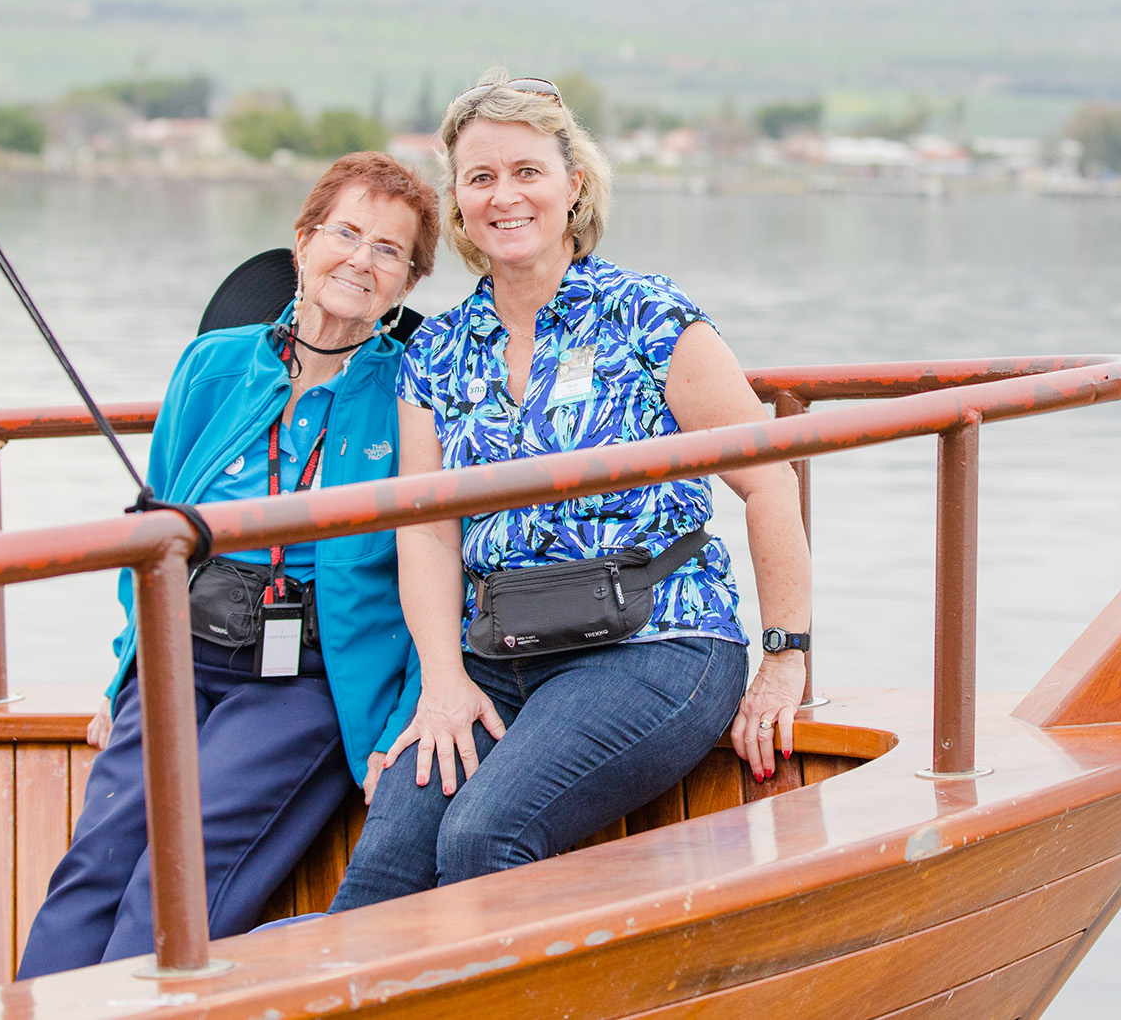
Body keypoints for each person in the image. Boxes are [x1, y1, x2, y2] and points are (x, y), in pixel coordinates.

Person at [327, 73, 811, 911]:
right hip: (500, 655)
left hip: (656, 643)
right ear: (459, 202)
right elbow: (428, 530)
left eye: (527, 171)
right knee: (380, 876)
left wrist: (784, 655)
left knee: (484, 837)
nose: (504, 195)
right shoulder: (436, 353)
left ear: (572, 184)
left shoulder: (648, 316)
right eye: (480, 178)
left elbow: (767, 483)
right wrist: (443, 679)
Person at [17, 151, 440, 975]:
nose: (360, 258)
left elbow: (443, 564)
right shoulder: (215, 364)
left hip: (307, 679)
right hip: (180, 655)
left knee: (171, 885)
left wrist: (402, 720)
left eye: (389, 249)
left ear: (408, 282)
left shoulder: (410, 390)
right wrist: (123, 672)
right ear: (304, 240)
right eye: (345, 232)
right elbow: (153, 526)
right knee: (92, 866)